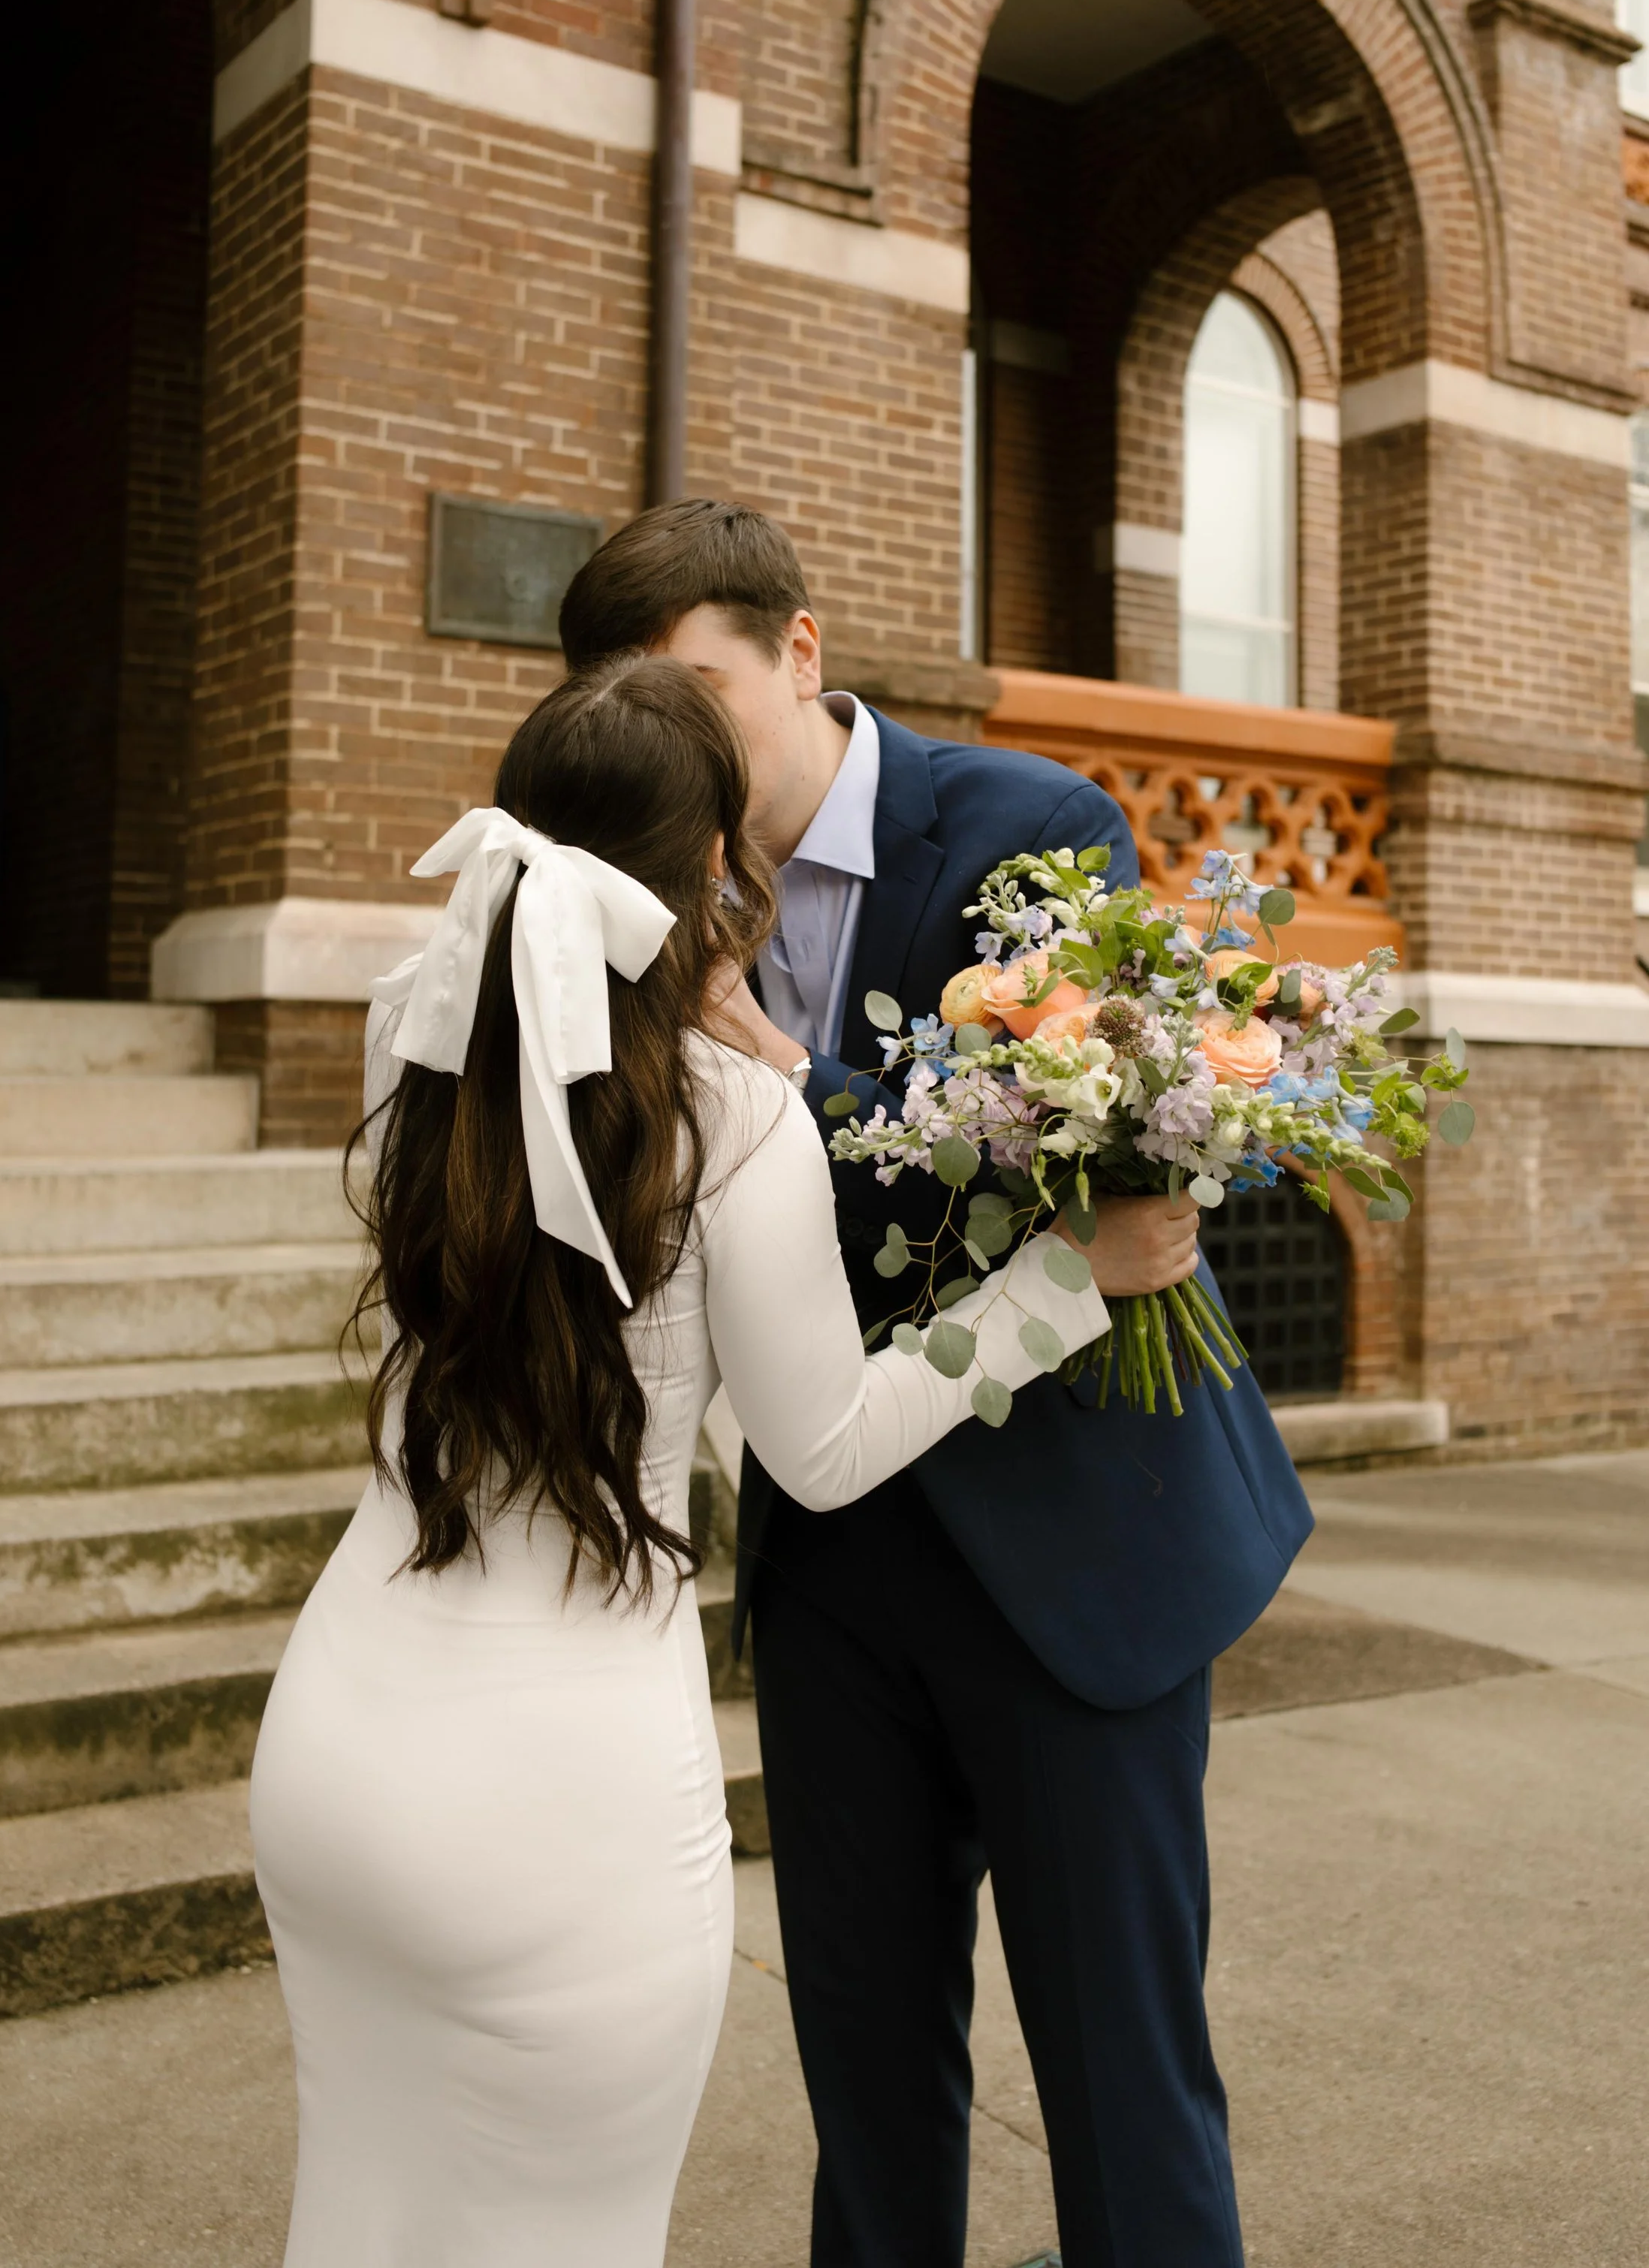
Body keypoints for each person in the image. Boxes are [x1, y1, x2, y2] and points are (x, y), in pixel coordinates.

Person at [248, 653, 1118, 2268]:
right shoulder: (729, 1118)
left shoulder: (419, 1056)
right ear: (710, 865)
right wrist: (1061, 1289)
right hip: (557, 1807)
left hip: (333, 1750)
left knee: (358, 2216)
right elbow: (827, 1447)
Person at [558, 504, 1316, 2268]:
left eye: (700, 695)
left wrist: (783, 1077)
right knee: (870, 2081)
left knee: (1120, 2080)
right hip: (834, 1569)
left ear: (801, 654)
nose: (674, 751)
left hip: (1068, 1552)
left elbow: (1066, 1171)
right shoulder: (632, 903)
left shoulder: (1028, 830)